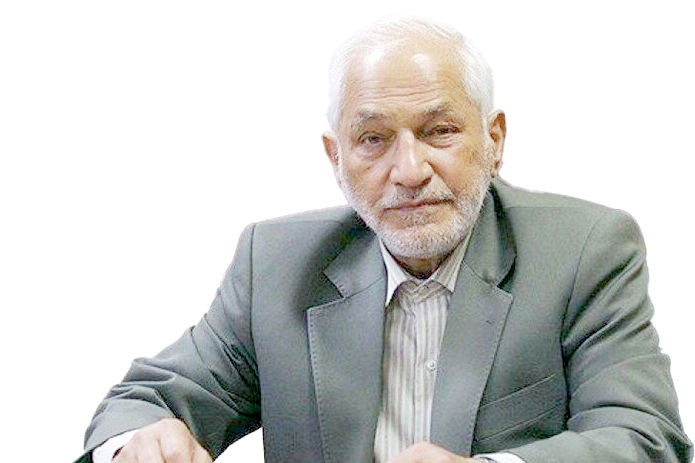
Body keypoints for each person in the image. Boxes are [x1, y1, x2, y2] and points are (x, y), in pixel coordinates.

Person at [76, 18, 692, 463]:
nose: (409, 171)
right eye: (373, 139)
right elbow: (145, 400)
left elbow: (645, 437)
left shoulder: (584, 251)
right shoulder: (276, 265)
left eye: (439, 130)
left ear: (495, 140)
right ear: (335, 158)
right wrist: (140, 442)